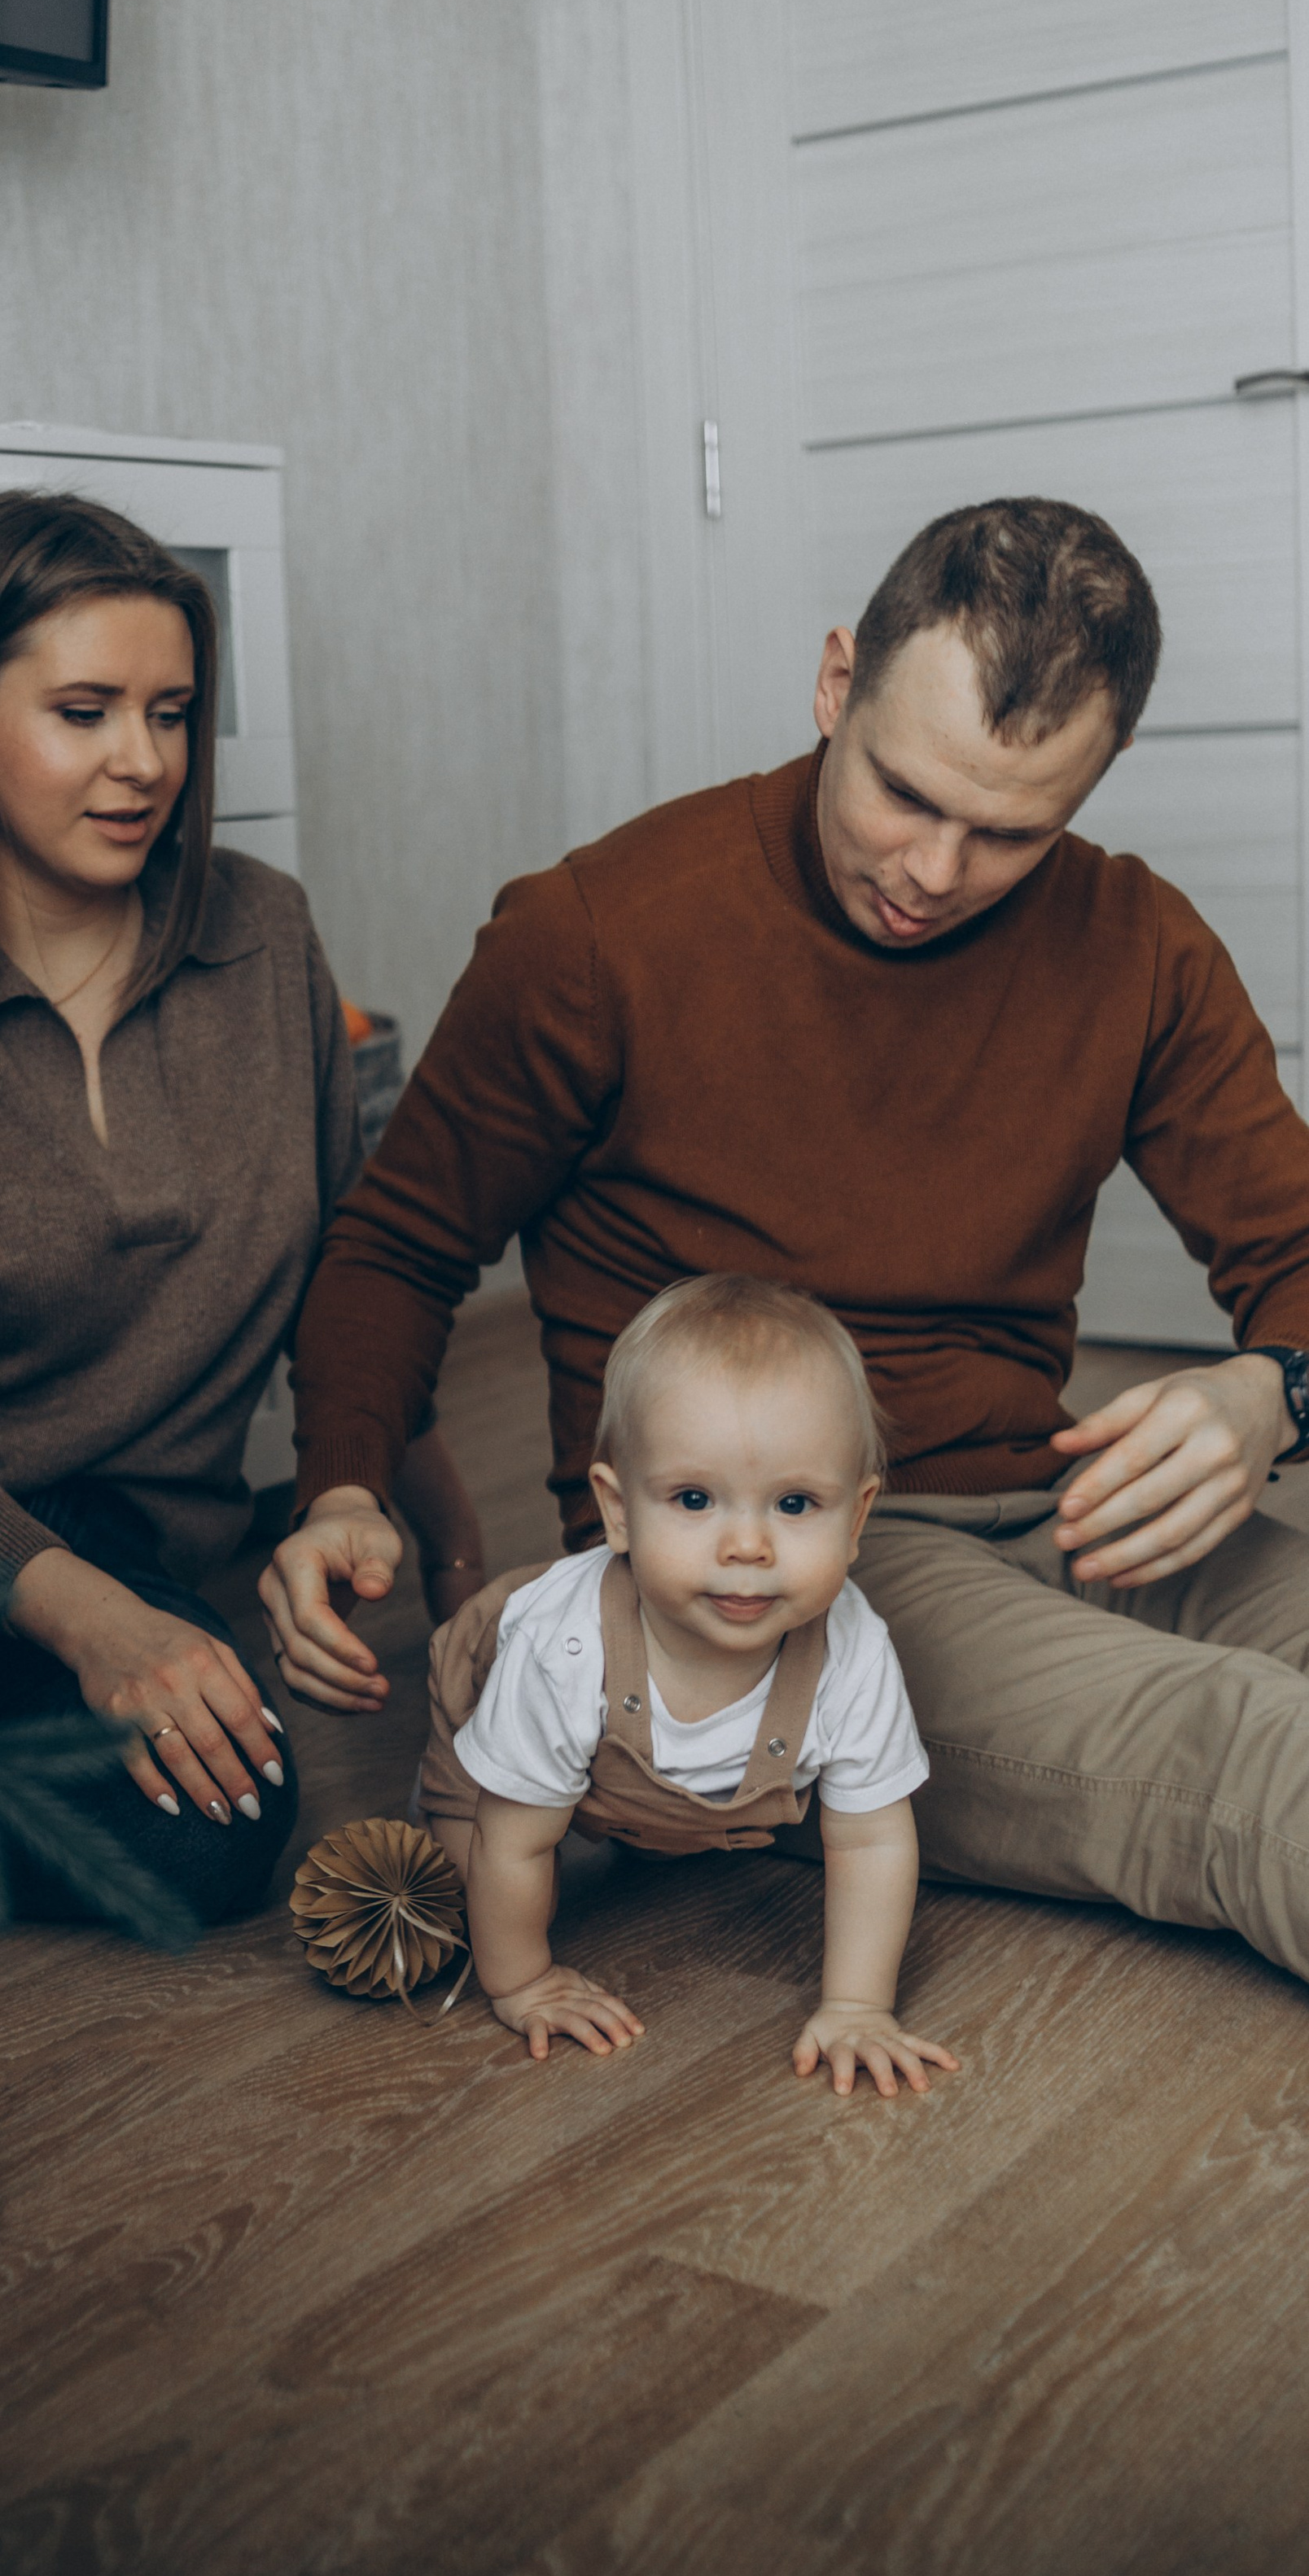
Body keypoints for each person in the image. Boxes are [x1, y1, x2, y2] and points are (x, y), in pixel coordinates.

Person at [263, 496, 1309, 1987]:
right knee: (1255, 1754)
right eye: (902, 792)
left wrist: (1275, 1387)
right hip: (761, 1577)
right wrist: (344, 1485)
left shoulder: (1138, 944)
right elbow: (401, 1243)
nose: (935, 871)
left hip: (1067, 1506)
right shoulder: (597, 934)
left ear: (1101, 776)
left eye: (1012, 831)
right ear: (837, 684)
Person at [0, 486, 479, 1989]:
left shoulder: (261, 935)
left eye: (172, 714)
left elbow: (344, 1268)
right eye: (85, 711)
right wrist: (97, 1632)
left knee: (216, 1834)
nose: (144, 764)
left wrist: (413, 1512)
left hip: (114, 1523)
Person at [422, 1275, 951, 2095]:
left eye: (795, 1502)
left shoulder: (852, 1649)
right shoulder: (561, 1647)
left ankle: (643, 1828)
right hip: (486, 1699)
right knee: (482, 1883)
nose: (746, 1544)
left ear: (855, 1521)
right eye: (695, 1499)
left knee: (628, 1846)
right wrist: (521, 1982)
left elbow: (873, 1840)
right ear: (618, 1509)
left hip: (639, 1789)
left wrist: (856, 2005)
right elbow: (516, 1836)